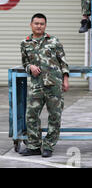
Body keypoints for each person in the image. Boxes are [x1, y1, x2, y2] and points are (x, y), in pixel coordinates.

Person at [19, 13, 69, 158]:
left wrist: (65, 79)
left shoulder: (54, 41)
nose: (39, 26)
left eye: (41, 23)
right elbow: (25, 63)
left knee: (54, 116)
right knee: (31, 115)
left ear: (45, 25)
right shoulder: (25, 43)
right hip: (37, 85)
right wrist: (30, 68)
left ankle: (48, 146)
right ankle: (34, 145)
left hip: (54, 84)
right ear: (31, 25)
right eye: (36, 23)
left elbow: (63, 62)